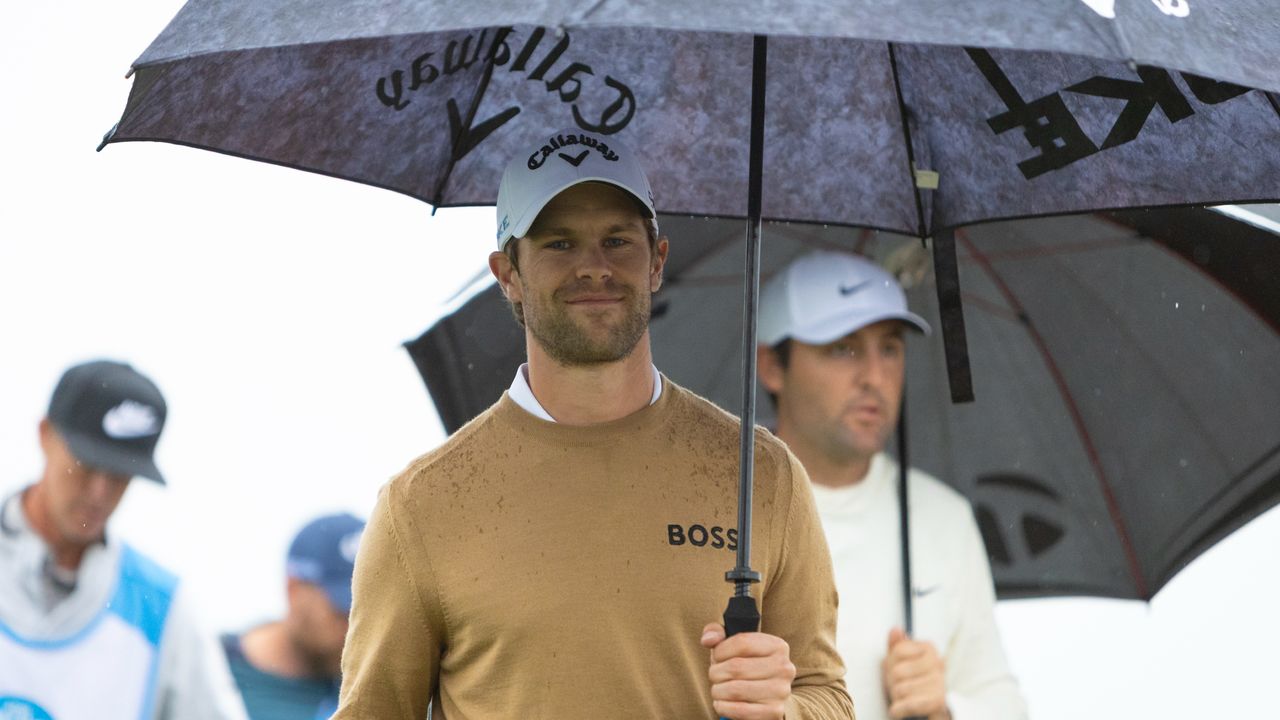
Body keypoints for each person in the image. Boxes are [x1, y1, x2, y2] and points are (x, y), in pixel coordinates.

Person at [334, 129, 853, 720]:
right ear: (508, 273)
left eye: (617, 240)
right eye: (559, 243)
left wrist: (784, 709)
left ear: (656, 261)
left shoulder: (762, 474)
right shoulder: (421, 505)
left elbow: (828, 695)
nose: (594, 267)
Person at [755, 251, 1028, 720]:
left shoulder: (942, 516)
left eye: (890, 347)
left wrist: (944, 708)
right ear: (772, 367)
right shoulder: (710, 507)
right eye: (844, 347)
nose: (875, 378)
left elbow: (1003, 703)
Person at [0, 359, 248, 719]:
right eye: (85, 464)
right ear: (44, 434)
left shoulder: (163, 610)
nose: (99, 492)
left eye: (120, 473)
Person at [222, 512, 366, 719]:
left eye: (366, 614)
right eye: (343, 609)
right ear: (293, 589)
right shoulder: (207, 666)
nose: (354, 628)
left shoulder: (371, 693)